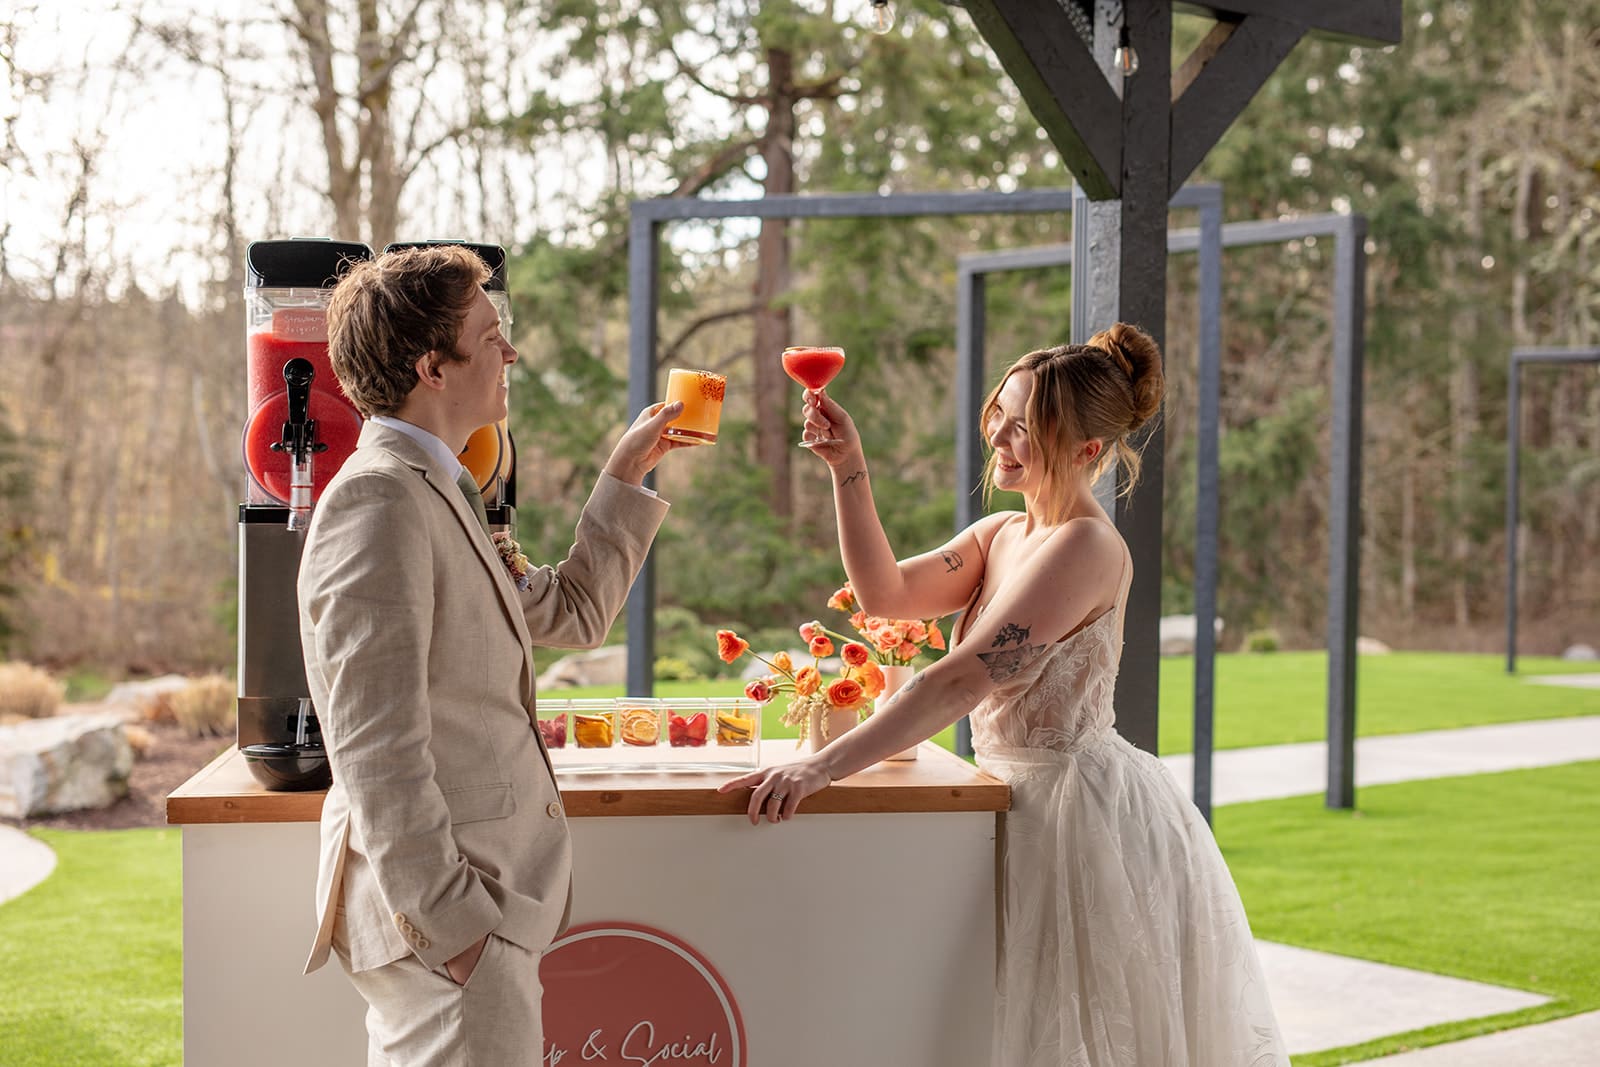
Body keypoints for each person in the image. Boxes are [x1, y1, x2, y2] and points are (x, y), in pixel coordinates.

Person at [720, 324, 1289, 1066]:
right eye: (1001, 416)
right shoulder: (1000, 534)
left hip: (1076, 816)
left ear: (1086, 450)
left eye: (1024, 427)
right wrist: (847, 466)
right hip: (1007, 798)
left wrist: (821, 766)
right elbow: (885, 594)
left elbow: (959, 679)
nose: (999, 437)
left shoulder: (1086, 546)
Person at [298, 244, 686, 1066]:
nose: (510, 352)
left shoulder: (440, 487)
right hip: (450, 929)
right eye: (490, 335)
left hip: (475, 920)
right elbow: (374, 746)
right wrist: (456, 928)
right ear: (433, 368)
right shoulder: (378, 499)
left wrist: (625, 473)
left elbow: (570, 612)